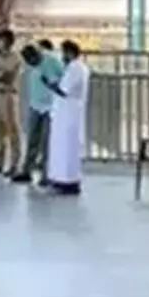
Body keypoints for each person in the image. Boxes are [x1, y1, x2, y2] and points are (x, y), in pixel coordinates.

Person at [44, 40, 90, 195]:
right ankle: (60, 179)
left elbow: (64, 90)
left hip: (69, 115)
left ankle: (67, 182)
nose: (62, 56)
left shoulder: (76, 68)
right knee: (63, 149)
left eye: (63, 52)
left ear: (70, 52)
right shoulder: (74, 68)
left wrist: (49, 85)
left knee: (67, 150)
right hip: (65, 115)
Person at [12, 43, 62, 185]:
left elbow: (63, 76)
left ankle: (46, 174)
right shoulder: (30, 66)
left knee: (46, 142)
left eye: (34, 62)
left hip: (50, 107)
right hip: (35, 105)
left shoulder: (52, 60)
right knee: (32, 139)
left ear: (37, 55)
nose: (32, 65)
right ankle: (27, 170)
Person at [0, 30, 23, 176]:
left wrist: (1, 75)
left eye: (1, 41)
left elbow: (8, 75)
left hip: (10, 95)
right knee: (0, 131)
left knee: (13, 130)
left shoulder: (15, 58)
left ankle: (15, 164)